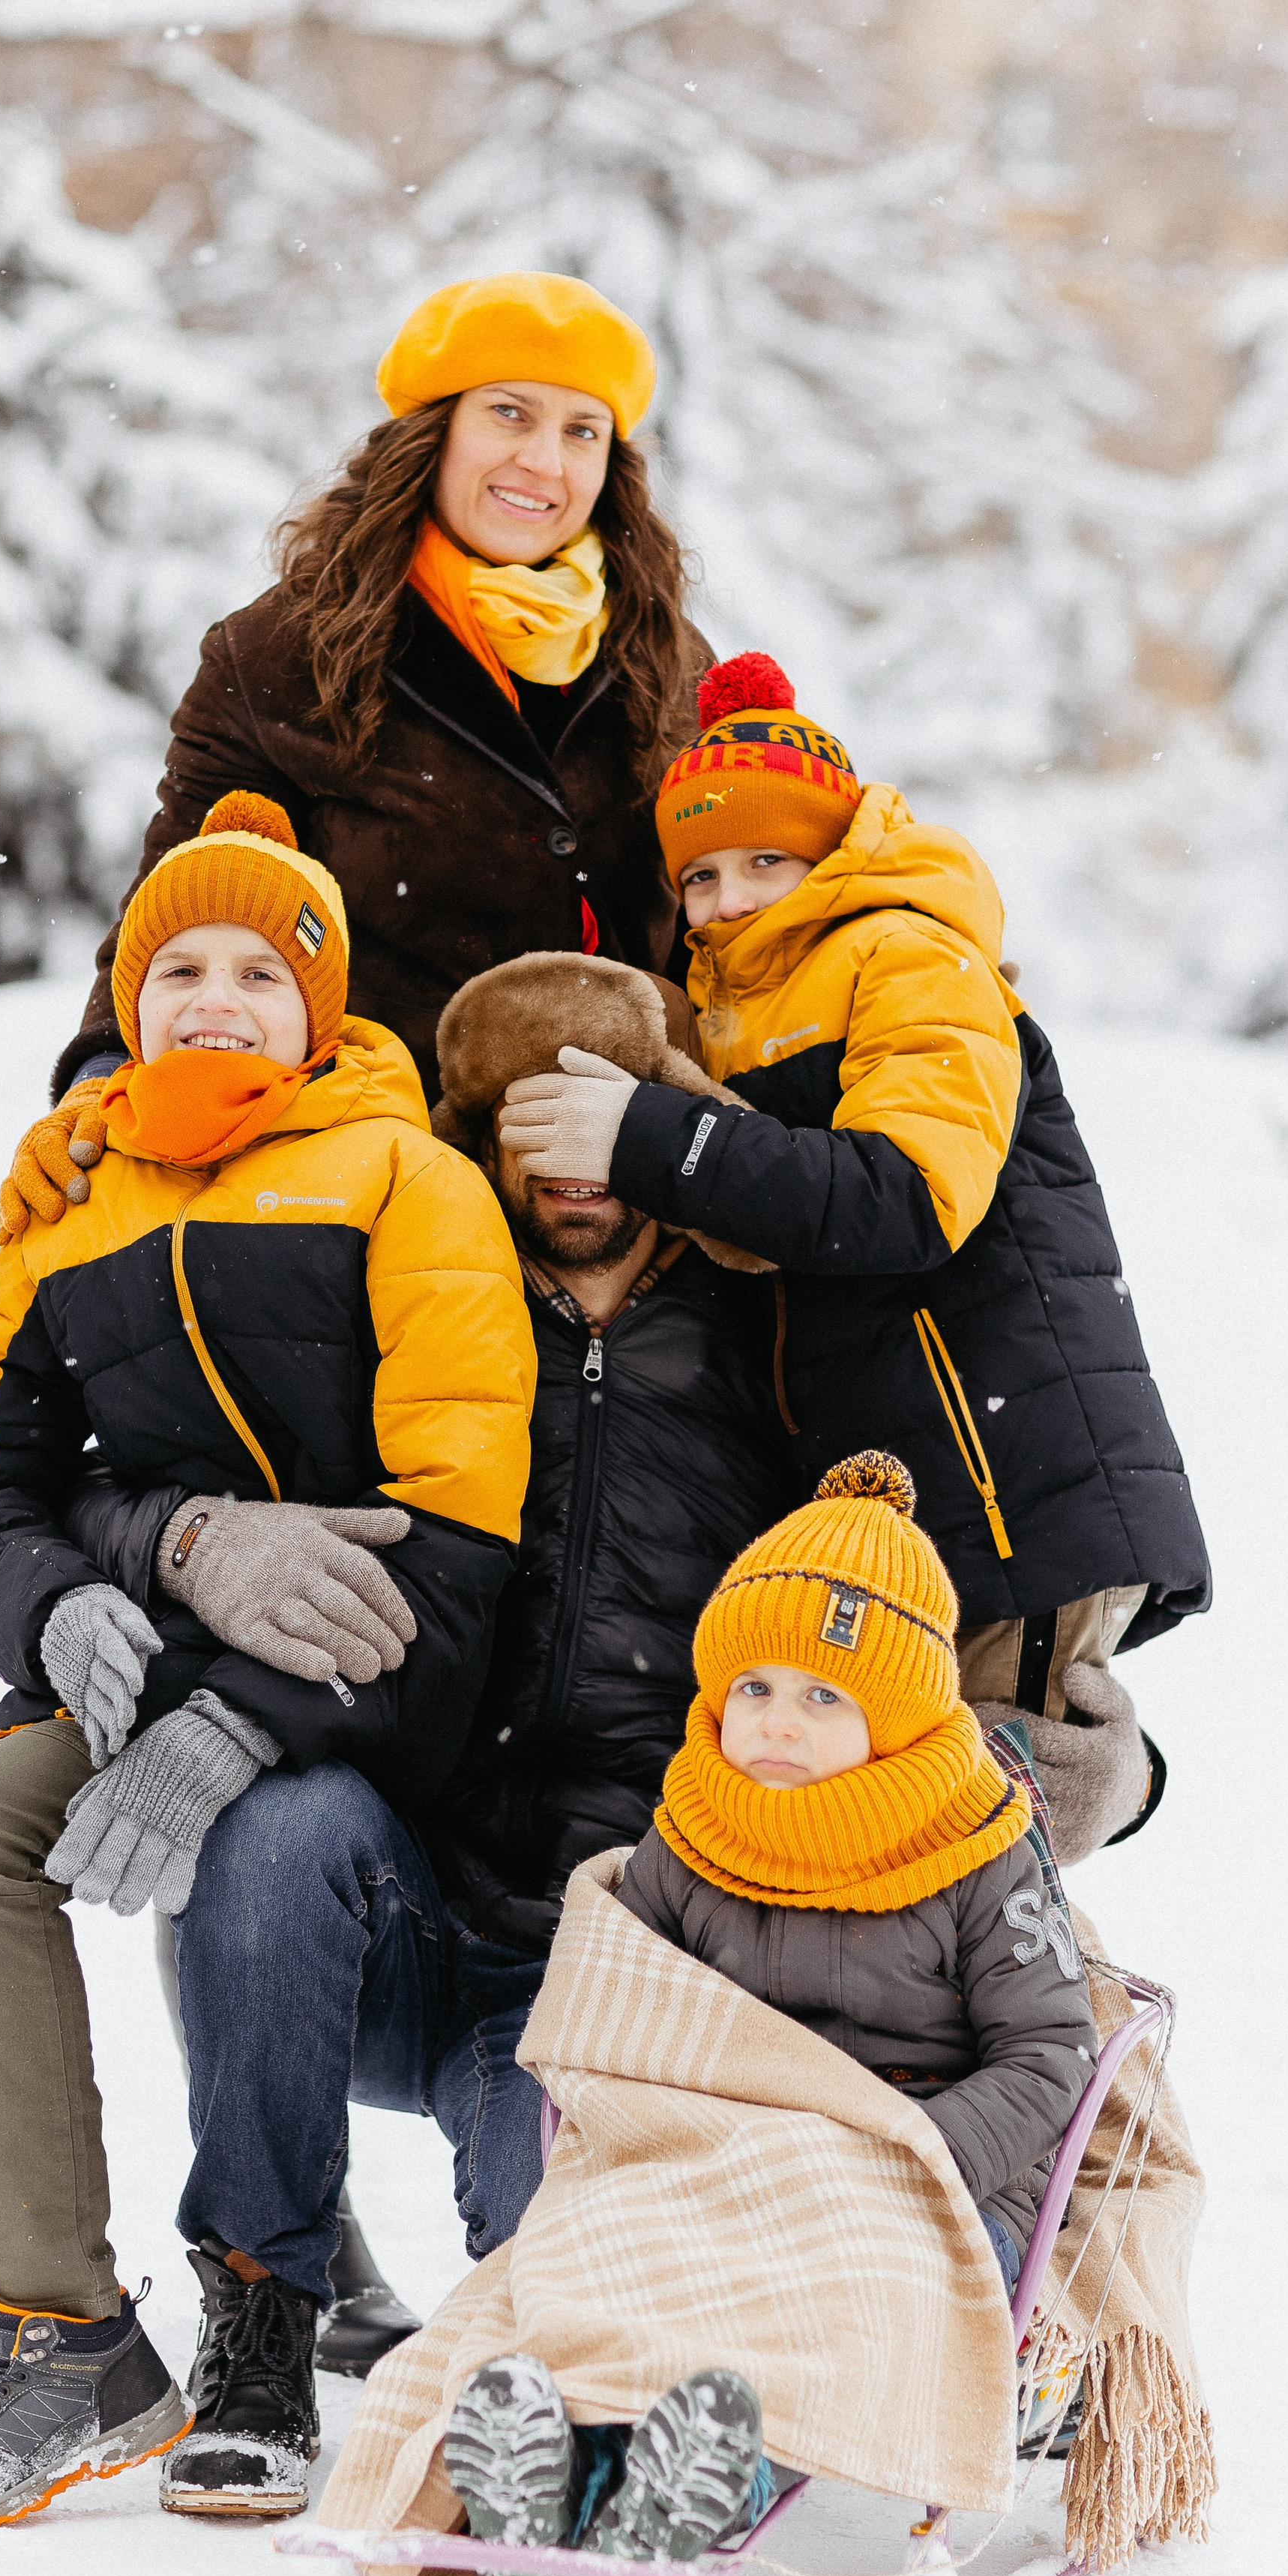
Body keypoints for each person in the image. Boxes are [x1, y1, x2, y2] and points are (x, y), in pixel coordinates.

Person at [0, 790, 532, 2534]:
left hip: (346, 1693)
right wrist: (53, 1594)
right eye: (175, 970)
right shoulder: (70, 1199)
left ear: (322, 1005)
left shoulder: (404, 1179)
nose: (213, 999)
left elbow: (452, 1544)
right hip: (131, 1662)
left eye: (255, 968)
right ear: (127, 1004)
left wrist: (237, 1712)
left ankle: (68, 2328)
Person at [64, 949, 806, 2513]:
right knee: (269, 1823)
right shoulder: (427, 1310)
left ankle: (589, 2423)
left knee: (547, 2228)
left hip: (611, 1955)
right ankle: (262, 2322)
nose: (568, 1174)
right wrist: (178, 1537)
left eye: (594, 1127)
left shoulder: (759, 1348)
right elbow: (133, 1423)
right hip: (415, 1894)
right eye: (524, 1136)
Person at [496, 649, 1212, 1848]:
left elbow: (908, 1194)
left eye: (766, 861)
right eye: (703, 875)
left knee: (958, 1855)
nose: (728, 900)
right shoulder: (733, 1010)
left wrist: (652, 1137)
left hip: (1006, 1497)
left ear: (831, 852)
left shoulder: (910, 954)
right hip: (915, 1513)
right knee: (906, 1856)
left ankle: (1074, 2034)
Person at [443, 1450, 1097, 2576]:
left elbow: (1049, 2052)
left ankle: (710, 2485)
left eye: (823, 1696)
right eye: (755, 1686)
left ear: (896, 1715)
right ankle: (553, 2477)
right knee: (610, 2255)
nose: (777, 1723)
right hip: (727, 2156)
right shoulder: (696, 1828)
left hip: (919, 2181)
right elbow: (618, 1989)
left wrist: (906, 2157)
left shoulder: (977, 1845)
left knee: (830, 2303)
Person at [0, 268, 714, 1241]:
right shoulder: (282, 653)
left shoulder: (665, 655)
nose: (545, 461)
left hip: (619, 1193)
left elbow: (727, 905)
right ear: (435, 430)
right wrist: (99, 1080)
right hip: (378, 1181)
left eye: (582, 430)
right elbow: (177, 897)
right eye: (510, 414)